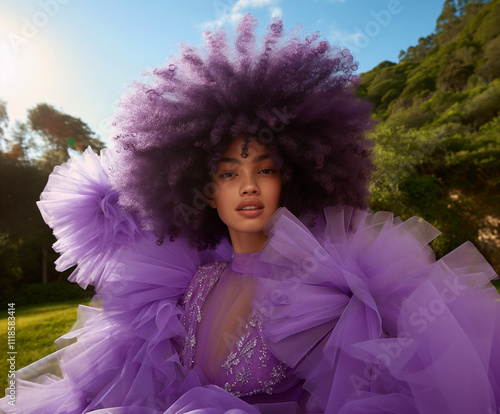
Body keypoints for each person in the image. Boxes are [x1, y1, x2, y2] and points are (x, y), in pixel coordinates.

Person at [2, 14, 500, 414]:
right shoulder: (188, 284)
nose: (247, 186)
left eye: (265, 169)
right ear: (201, 189)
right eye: (226, 173)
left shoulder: (327, 286)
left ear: (296, 177)